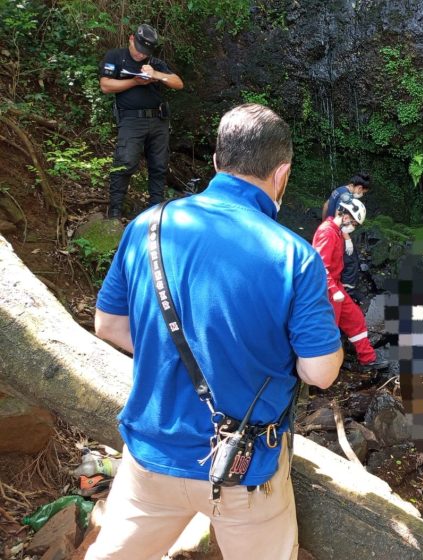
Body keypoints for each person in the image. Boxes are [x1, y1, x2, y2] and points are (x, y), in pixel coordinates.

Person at [88, 104, 343, 560]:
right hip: (245, 469)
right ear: (281, 172)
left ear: (216, 161)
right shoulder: (294, 256)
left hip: (151, 456)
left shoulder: (148, 225)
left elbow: (107, 324)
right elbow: (321, 372)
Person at [99, 24, 184, 218]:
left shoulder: (155, 62)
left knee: (159, 165)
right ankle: (115, 212)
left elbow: (178, 83)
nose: (140, 55)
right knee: (125, 162)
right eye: (138, 50)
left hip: (158, 120)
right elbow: (105, 85)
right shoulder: (116, 57)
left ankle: (155, 211)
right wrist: (135, 81)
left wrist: (156, 75)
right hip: (131, 120)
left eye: (145, 52)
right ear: (131, 39)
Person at [313, 194, 388, 372]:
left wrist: (346, 239)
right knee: (329, 329)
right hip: (327, 288)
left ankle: (368, 358)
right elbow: (319, 266)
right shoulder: (327, 232)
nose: (353, 226)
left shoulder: (337, 231)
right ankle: (322, 372)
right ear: (345, 215)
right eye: (353, 222)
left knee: (355, 319)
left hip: (335, 285)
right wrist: (333, 289)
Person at [321, 173, 371, 291]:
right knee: (351, 260)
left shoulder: (339, 190)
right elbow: (341, 218)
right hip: (337, 232)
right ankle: (346, 289)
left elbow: (325, 205)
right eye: (363, 192)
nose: (362, 194)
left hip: (329, 228)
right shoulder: (347, 197)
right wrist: (347, 239)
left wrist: (324, 223)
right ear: (359, 188)